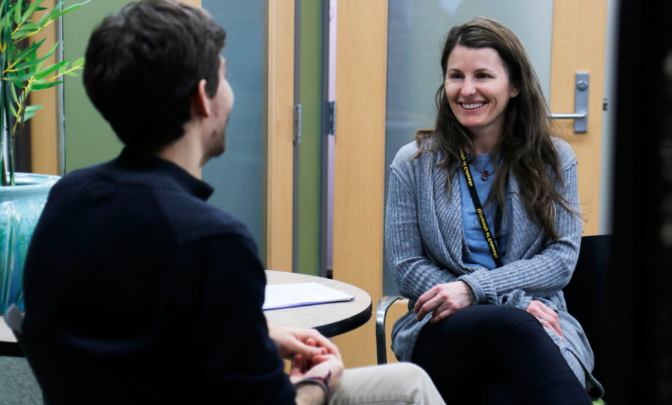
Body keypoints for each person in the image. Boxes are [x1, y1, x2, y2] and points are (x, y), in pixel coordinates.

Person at [22, 1, 444, 404]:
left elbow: (139, 324)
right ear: (203, 98)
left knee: (406, 379)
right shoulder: (211, 241)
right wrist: (319, 381)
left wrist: (259, 331)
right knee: (410, 387)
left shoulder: (68, 198)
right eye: (224, 76)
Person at [385, 16, 605, 404]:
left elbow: (561, 259)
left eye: (483, 76)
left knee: (503, 396)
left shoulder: (555, 159)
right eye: (456, 76)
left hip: (537, 324)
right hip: (445, 329)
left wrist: (474, 289)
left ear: (515, 85)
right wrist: (506, 303)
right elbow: (407, 266)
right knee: (517, 330)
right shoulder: (413, 163)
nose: (467, 90)